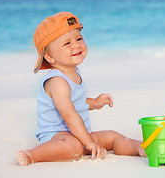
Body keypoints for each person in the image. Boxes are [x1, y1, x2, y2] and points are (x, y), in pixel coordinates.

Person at [17, 11, 146, 166]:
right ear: (50, 57)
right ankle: (32, 155)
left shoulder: (74, 72)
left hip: (80, 133)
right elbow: (69, 114)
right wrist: (89, 142)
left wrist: (95, 103)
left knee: (112, 137)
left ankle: (139, 147)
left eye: (79, 39)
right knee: (74, 147)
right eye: (67, 43)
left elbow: (76, 102)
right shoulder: (57, 81)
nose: (76, 45)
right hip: (57, 135)